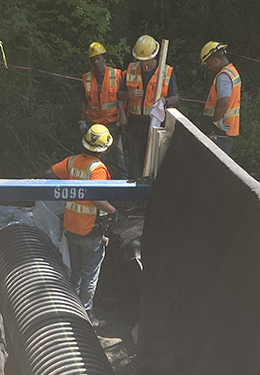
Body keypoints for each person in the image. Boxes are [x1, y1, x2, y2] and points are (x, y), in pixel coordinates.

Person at [49, 123, 117, 323]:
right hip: (90, 230)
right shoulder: (98, 169)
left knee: (76, 271)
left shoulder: (73, 161)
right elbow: (96, 199)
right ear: (104, 149)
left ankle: (70, 309)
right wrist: (113, 211)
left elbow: (48, 174)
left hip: (71, 228)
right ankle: (85, 316)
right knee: (89, 274)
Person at [118, 34, 180, 180]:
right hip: (134, 124)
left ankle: (149, 195)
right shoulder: (131, 69)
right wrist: (129, 94)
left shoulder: (166, 71)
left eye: (147, 60)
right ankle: (134, 198)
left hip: (154, 124)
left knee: (152, 163)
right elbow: (119, 95)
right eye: (141, 61)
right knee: (135, 161)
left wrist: (165, 101)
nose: (144, 64)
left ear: (155, 55)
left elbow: (176, 98)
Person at [80, 41, 127, 179]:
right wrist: (81, 121)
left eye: (99, 58)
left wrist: (122, 118)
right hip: (94, 124)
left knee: (118, 157)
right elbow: (83, 101)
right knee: (96, 159)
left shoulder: (117, 75)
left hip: (113, 123)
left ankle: (124, 186)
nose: (96, 62)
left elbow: (123, 98)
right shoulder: (86, 78)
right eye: (93, 59)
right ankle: (99, 183)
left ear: (104, 58)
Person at [199, 41, 241, 157]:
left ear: (215, 60)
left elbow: (224, 101)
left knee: (214, 165)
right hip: (227, 130)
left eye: (208, 64)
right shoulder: (232, 71)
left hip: (220, 131)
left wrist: (216, 121)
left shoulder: (223, 76)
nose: (209, 67)